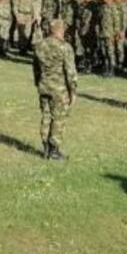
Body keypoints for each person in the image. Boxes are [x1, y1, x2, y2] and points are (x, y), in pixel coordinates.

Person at [33, 19, 77, 160]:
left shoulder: (40, 45)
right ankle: (54, 150)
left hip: (44, 85)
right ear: (61, 30)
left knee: (46, 115)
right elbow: (70, 71)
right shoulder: (65, 47)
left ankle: (45, 146)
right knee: (59, 117)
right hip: (59, 88)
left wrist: (38, 82)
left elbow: (35, 68)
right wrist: (73, 91)